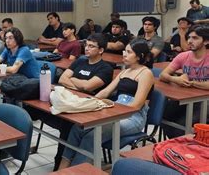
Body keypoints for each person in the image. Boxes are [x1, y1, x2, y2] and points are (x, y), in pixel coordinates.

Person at [58, 39, 154, 168]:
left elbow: (136, 106)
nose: (124, 54)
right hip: (116, 112)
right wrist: (89, 102)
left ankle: (79, 170)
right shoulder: (125, 71)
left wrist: (111, 109)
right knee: (78, 128)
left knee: (92, 136)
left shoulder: (146, 73)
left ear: (139, 56)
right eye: (124, 50)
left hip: (133, 117)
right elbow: (106, 91)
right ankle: (62, 168)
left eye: (129, 52)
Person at [29, 34, 113, 170]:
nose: (87, 48)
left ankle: (61, 166)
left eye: (92, 46)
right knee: (34, 109)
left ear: (101, 50)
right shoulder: (80, 61)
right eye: (87, 45)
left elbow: (89, 87)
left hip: (86, 108)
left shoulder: (105, 68)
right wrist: (80, 84)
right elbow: (63, 79)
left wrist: (74, 82)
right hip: (69, 101)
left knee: (67, 126)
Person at [160, 25, 209, 138]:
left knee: (181, 127)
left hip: (206, 100)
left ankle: (182, 145)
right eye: (189, 38)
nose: (190, 41)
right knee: (164, 116)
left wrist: (191, 83)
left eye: (195, 38)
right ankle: (175, 144)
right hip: (186, 97)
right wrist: (176, 79)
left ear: (206, 41)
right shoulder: (183, 56)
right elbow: (163, 75)